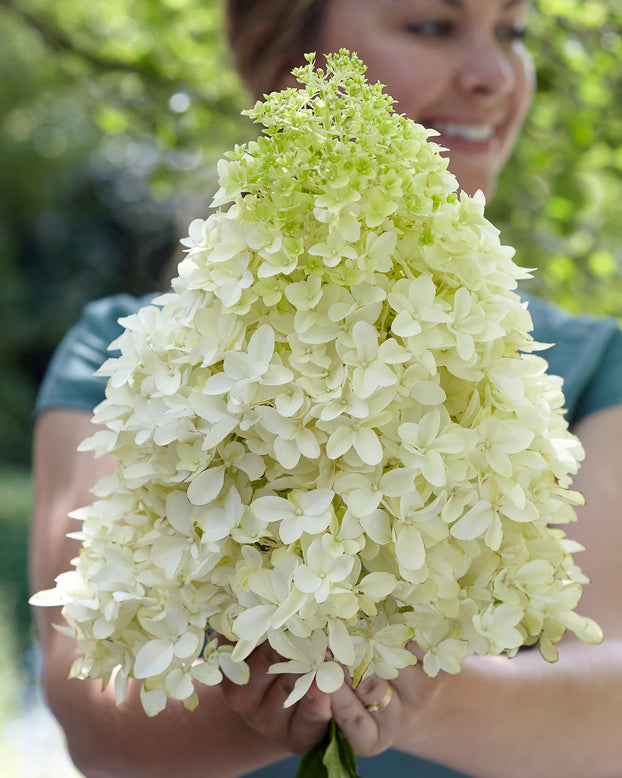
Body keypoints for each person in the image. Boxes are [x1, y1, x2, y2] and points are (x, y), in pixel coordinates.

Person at [30, 1, 622, 776]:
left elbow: (606, 720)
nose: (493, 76)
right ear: (283, 55)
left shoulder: (585, 365)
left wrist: (397, 684)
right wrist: (272, 707)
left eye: (514, 31)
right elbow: (93, 711)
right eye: (433, 26)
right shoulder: (129, 353)